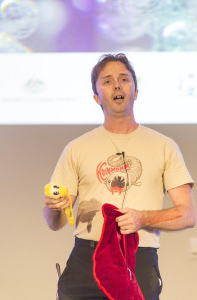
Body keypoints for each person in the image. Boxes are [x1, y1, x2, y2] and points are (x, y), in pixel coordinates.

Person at [44, 53, 196, 300]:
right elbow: (55, 222)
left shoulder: (164, 146)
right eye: (107, 81)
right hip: (86, 260)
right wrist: (53, 208)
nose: (117, 85)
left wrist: (143, 218)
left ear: (135, 91)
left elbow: (187, 215)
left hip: (138, 259)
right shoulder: (77, 148)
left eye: (124, 79)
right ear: (96, 97)